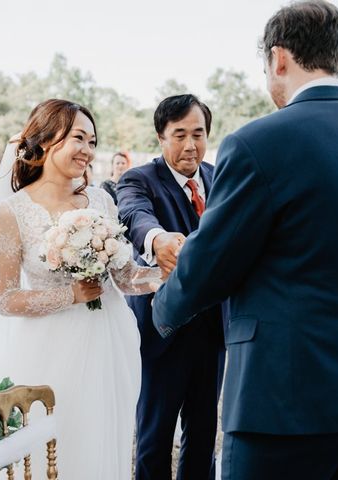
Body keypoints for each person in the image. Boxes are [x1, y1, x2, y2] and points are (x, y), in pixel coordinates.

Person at [152, 2, 338, 479]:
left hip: (281, 407)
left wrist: (162, 310)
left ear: (278, 58)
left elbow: (209, 264)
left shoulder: (258, 143)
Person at [0, 99, 161, 479]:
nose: (88, 150)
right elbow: (5, 299)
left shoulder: (101, 200)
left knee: (98, 437)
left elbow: (124, 278)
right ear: (44, 140)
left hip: (105, 339)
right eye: (78, 138)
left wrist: (168, 273)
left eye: (92, 141)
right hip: (46, 348)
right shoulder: (13, 211)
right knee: (45, 448)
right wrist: (70, 295)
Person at [116, 94, 225, 480]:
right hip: (162, 333)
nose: (190, 145)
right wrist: (157, 239)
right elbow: (133, 213)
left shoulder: (220, 176)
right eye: (179, 135)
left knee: (203, 436)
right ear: (161, 137)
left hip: (214, 332)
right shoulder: (138, 179)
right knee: (154, 438)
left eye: (198, 134)